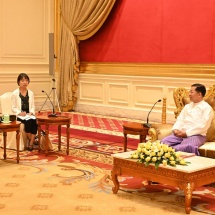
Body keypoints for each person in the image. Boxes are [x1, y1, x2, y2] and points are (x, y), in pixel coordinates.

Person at [161, 83, 214, 155]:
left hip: (196, 135)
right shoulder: (187, 106)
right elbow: (180, 119)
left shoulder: (207, 108)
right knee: (163, 142)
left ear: (199, 94)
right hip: (180, 134)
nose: (189, 94)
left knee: (185, 147)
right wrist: (176, 129)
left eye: (191, 92)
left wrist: (186, 133)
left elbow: (203, 126)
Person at [11, 73, 38, 151]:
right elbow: (13, 107)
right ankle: (32, 141)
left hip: (29, 114)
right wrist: (20, 112)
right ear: (18, 82)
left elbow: (33, 106)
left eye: (26, 80)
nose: (25, 82)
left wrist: (31, 112)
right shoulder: (15, 93)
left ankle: (31, 142)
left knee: (34, 121)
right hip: (20, 115)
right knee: (29, 121)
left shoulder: (31, 93)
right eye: (22, 80)